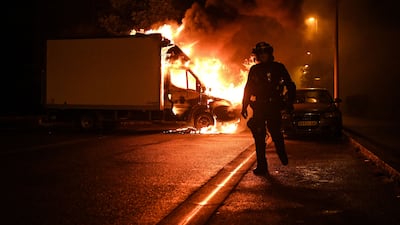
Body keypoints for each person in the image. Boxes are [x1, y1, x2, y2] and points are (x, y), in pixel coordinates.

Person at [241, 41, 296, 175]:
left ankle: (281, 153)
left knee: (275, 132)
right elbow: (248, 88)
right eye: (261, 53)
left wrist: (289, 103)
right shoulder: (255, 69)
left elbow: (290, 85)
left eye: (265, 53)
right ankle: (262, 166)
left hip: (274, 106)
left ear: (270, 54)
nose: (263, 55)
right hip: (259, 106)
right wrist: (244, 105)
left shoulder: (279, 68)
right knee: (259, 137)